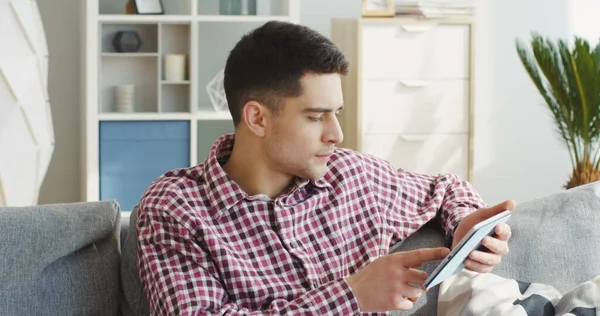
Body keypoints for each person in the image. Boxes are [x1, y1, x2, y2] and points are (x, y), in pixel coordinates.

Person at [135, 20, 515, 315]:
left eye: (336, 113)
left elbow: (447, 188)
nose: (336, 133)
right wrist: (352, 296)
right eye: (316, 117)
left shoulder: (354, 176)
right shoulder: (176, 208)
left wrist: (463, 222)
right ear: (257, 118)